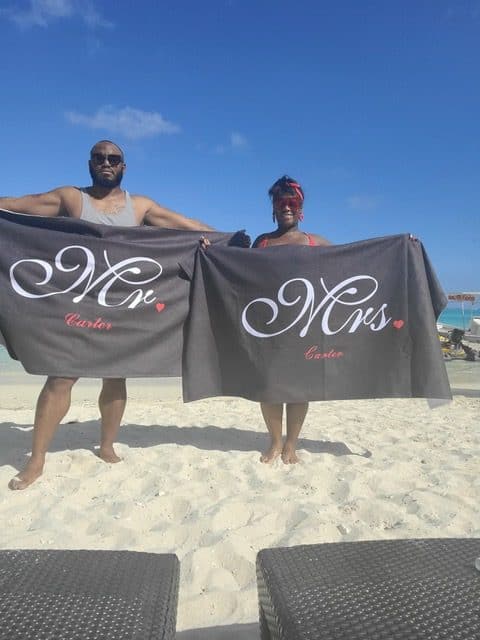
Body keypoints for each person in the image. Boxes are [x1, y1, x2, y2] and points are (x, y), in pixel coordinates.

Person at [1, 139, 214, 490]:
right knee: (60, 379)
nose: (106, 163)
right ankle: (36, 460)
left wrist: (215, 239)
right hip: (74, 305)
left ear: (123, 167)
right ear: (89, 163)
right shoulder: (71, 198)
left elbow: (182, 223)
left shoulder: (140, 206)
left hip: (122, 306)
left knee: (116, 378)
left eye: (114, 159)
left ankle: (106, 445)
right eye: (99, 158)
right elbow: (23, 206)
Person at [252, 175, 331, 465]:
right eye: (280, 202)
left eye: (292, 202)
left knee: (299, 387)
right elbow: (240, 276)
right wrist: (209, 251)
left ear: (300, 208)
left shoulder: (316, 243)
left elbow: (353, 265)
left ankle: (291, 445)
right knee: (269, 387)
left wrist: (402, 247)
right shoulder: (262, 243)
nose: (286, 207)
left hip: (305, 327)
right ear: (273, 207)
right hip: (268, 329)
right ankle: (274, 442)